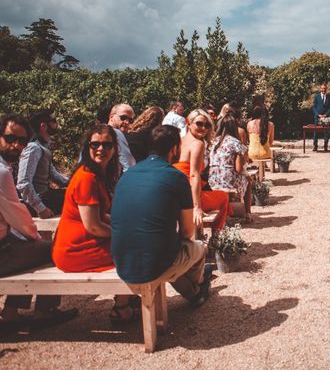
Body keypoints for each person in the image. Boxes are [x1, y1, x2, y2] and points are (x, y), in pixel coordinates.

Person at [111, 125, 213, 308]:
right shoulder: (175, 177)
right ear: (174, 148)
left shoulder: (127, 175)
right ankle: (197, 286)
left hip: (122, 260)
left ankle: (194, 294)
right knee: (198, 247)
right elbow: (188, 231)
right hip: (155, 263)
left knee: (165, 249)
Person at [51, 124, 138, 323]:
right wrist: (123, 235)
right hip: (75, 248)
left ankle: (128, 297)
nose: (101, 149)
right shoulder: (86, 178)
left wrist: (124, 226)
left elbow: (101, 216)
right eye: (95, 144)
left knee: (135, 243)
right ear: (87, 147)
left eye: (107, 144)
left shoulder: (97, 175)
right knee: (135, 251)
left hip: (84, 240)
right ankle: (122, 307)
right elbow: (93, 226)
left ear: (115, 148)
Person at [0, 114, 78, 332]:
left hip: (6, 241)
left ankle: (11, 312)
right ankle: (45, 311)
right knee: (55, 250)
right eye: (10, 138)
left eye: (22, 141)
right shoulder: (3, 171)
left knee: (26, 246)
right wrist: (35, 234)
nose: (18, 145)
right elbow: (19, 215)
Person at [174, 110, 230, 231]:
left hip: (175, 193)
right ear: (188, 122)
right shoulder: (198, 144)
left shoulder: (178, 141)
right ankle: (217, 238)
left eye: (207, 125)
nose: (203, 128)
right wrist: (197, 207)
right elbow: (194, 176)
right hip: (188, 196)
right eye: (199, 123)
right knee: (223, 197)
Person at [16, 109, 69, 218]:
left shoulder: (43, 148)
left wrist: (73, 182)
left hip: (46, 196)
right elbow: (23, 183)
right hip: (37, 202)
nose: (56, 124)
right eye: (53, 121)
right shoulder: (33, 148)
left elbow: (53, 174)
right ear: (43, 126)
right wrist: (41, 208)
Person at [209, 115, 252, 217]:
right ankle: (248, 213)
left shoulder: (213, 142)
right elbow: (238, 169)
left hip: (212, 179)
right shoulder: (235, 143)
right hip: (227, 180)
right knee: (248, 180)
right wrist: (247, 174)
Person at [107, 103, 136, 172]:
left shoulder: (95, 132)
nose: (127, 122)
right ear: (111, 117)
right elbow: (129, 167)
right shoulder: (116, 133)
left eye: (130, 120)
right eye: (123, 118)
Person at [311, 84, 330, 152]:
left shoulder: (329, 97)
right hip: (317, 117)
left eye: (324, 89)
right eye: (322, 88)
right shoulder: (317, 96)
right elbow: (314, 107)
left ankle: (325, 146)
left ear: (326, 89)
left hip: (326, 117)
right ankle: (315, 146)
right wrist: (318, 114)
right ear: (320, 89)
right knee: (316, 132)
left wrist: (326, 114)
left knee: (326, 132)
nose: (323, 90)